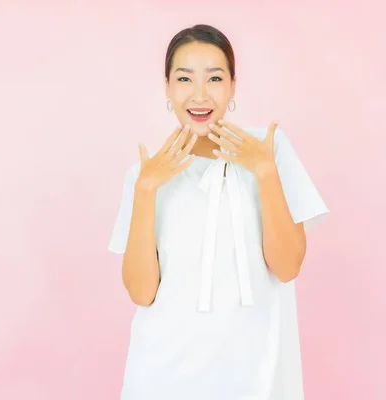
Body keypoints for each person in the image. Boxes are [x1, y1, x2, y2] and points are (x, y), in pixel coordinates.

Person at [107, 24, 329, 400]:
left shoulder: (269, 150)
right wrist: (146, 189)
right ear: (167, 87)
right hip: (161, 377)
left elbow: (288, 265)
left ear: (232, 85)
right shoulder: (144, 174)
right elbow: (141, 292)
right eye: (184, 78)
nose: (199, 94)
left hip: (256, 375)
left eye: (214, 78)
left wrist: (264, 171)